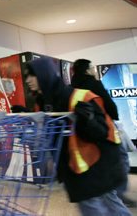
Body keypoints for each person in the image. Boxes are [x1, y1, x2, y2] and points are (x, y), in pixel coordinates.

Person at [24, 57, 131, 216]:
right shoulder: (43, 101)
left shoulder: (77, 96)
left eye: (32, 75)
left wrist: (88, 119)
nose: (28, 80)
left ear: (44, 74)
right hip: (81, 166)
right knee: (111, 204)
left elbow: (101, 131)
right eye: (27, 76)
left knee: (95, 208)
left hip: (92, 165)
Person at [71, 58, 136, 208]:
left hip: (84, 135)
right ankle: (118, 196)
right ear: (87, 70)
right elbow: (110, 107)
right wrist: (115, 117)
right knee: (121, 160)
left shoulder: (72, 86)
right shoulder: (94, 83)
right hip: (104, 130)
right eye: (92, 67)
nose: (94, 70)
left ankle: (108, 196)